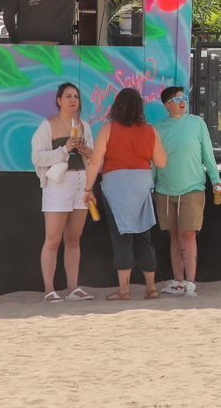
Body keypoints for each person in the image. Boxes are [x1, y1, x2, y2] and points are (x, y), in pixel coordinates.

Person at [84, 86, 168, 301]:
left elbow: (95, 162)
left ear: (116, 106)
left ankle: (125, 290)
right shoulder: (150, 130)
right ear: (140, 107)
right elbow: (161, 162)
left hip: (115, 186)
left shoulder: (108, 128)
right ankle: (151, 288)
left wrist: (88, 189)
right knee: (144, 237)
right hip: (141, 186)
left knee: (121, 237)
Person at [152, 84, 221, 297]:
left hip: (192, 188)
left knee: (188, 234)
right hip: (164, 190)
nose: (182, 101)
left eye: (183, 98)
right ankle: (178, 281)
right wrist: (150, 185)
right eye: (176, 99)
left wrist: (216, 181)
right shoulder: (157, 128)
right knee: (174, 236)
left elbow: (208, 156)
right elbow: (154, 162)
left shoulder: (197, 123)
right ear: (167, 105)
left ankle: (190, 282)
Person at [33, 81, 94, 302]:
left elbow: (92, 159)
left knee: (74, 239)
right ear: (59, 100)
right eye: (68, 96)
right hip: (58, 184)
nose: (72, 100)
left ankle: (73, 288)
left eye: (76, 96)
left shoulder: (84, 126)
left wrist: (87, 152)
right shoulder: (47, 125)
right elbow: (37, 156)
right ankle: (49, 289)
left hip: (80, 182)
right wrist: (64, 149)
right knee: (53, 239)